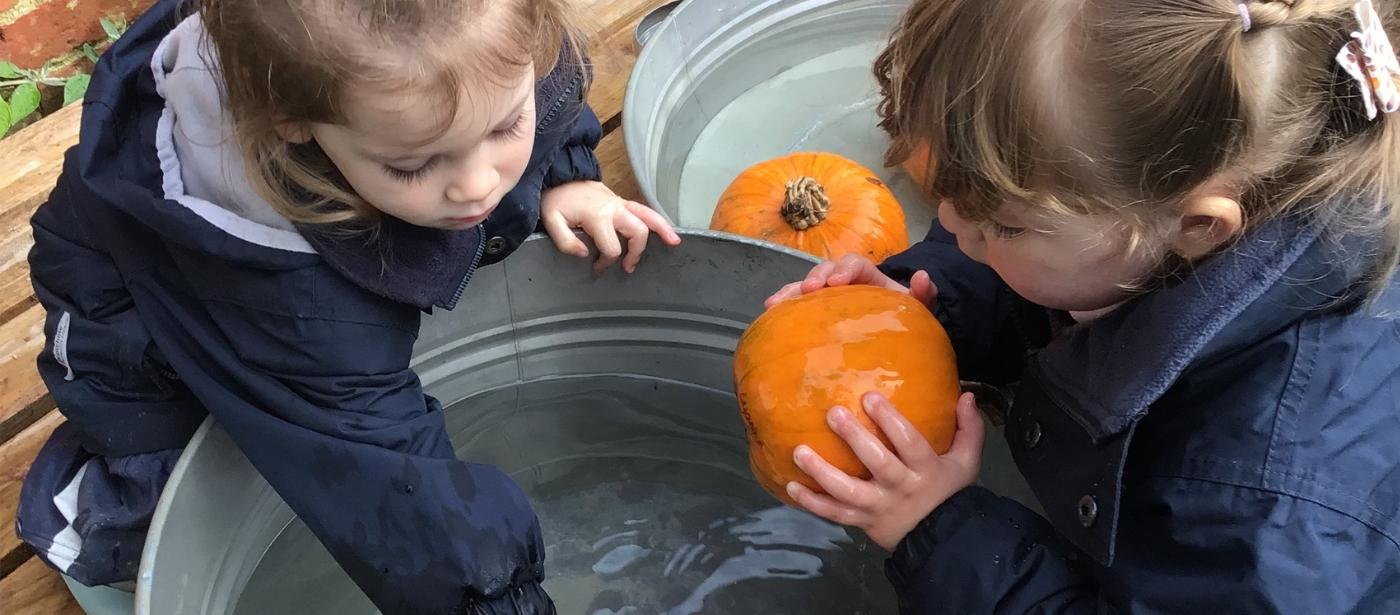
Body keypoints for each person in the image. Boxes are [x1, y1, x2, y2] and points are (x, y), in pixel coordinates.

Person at [15, 0, 679, 612]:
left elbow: (543, 88)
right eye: (415, 164)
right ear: (293, 122)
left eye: (507, 126)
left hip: (344, 213)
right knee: (191, 469)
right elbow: (394, 486)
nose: (478, 183)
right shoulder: (289, 298)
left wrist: (563, 176)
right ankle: (100, 524)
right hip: (134, 317)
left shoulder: (469, 45)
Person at [768, 0, 1400, 611]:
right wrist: (928, 311)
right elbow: (1056, 282)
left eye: (1005, 225)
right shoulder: (1147, 214)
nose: (954, 225)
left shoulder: (1260, 506)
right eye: (954, 191)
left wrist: (941, 531)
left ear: (1198, 229)